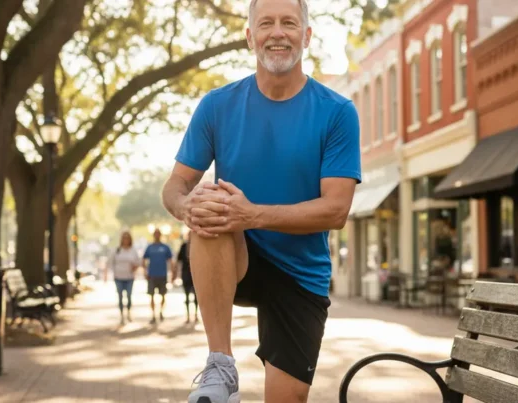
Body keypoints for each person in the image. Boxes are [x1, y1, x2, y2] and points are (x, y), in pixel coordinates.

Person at [161, 0, 360, 401]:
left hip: (301, 274)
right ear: (250, 36)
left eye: (289, 23)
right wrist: (186, 207)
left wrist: (252, 214)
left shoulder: (337, 112)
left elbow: (336, 210)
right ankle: (221, 365)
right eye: (266, 23)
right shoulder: (217, 105)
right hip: (236, 257)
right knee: (209, 210)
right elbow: (175, 186)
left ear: (306, 36)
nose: (277, 32)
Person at [142, 228, 175, 324]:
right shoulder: (150, 247)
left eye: (158, 233)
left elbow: (170, 260)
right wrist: (145, 271)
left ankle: (161, 312)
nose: (157, 235)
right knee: (151, 296)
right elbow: (144, 259)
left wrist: (173, 272)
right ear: (153, 235)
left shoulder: (165, 247)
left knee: (163, 295)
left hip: (162, 275)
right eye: (155, 234)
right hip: (152, 275)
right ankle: (153, 315)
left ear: (160, 235)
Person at [108, 231, 140, 325]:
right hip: (118, 277)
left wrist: (134, 267)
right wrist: (114, 272)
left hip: (129, 277)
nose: (125, 239)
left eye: (127, 238)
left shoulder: (133, 250)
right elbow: (110, 262)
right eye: (124, 238)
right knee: (120, 296)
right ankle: (122, 315)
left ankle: (129, 312)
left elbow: (138, 262)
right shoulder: (117, 250)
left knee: (129, 296)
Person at [177, 231, 199, 324]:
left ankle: (196, 315)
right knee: (186, 296)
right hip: (185, 274)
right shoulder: (183, 246)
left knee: (196, 296)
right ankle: (188, 315)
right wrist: (176, 274)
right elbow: (179, 261)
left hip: (197, 274)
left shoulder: (198, 246)